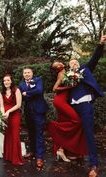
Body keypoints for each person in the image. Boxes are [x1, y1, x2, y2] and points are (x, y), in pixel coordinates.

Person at [68, 35, 106, 177]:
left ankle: (94, 165)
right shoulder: (67, 77)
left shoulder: (85, 69)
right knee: (77, 132)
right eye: (71, 63)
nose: (74, 64)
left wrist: (101, 44)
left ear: (79, 64)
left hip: (85, 105)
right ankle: (79, 154)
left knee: (89, 134)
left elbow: (95, 58)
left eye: (75, 62)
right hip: (73, 107)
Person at [47, 61, 87, 162]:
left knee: (64, 123)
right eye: (57, 65)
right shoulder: (61, 74)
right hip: (60, 101)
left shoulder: (68, 71)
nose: (60, 64)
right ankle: (53, 126)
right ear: (57, 68)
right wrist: (69, 87)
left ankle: (61, 150)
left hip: (65, 101)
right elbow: (54, 88)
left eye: (59, 62)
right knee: (77, 121)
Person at [19, 68, 48, 170]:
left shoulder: (38, 80)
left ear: (32, 73)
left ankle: (39, 157)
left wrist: (27, 93)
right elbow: (22, 98)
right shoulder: (21, 85)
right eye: (25, 73)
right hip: (28, 112)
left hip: (39, 110)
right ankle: (32, 152)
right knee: (30, 133)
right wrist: (30, 93)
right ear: (23, 75)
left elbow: (39, 90)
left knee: (39, 133)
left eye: (28, 72)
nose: (27, 74)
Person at [0, 74, 24, 165]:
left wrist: (9, 111)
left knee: (14, 135)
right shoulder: (2, 92)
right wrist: (2, 114)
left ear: (11, 81)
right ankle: (8, 156)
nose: (6, 82)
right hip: (6, 116)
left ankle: (16, 158)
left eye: (8, 80)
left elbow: (18, 105)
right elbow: (2, 106)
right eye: (4, 81)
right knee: (8, 134)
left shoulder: (16, 90)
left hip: (14, 115)